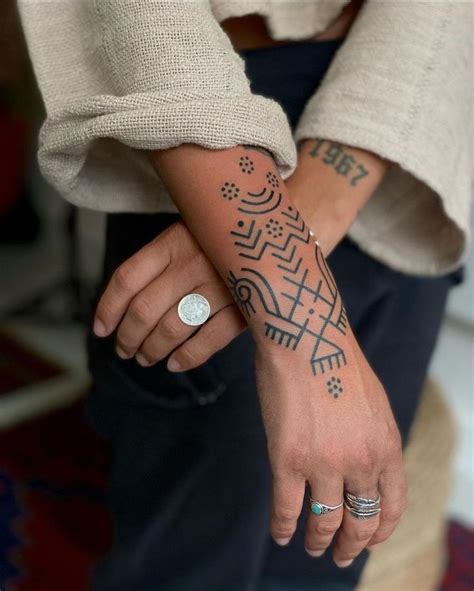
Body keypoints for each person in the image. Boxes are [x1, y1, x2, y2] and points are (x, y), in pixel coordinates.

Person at [18, 1, 471, 590]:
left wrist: (310, 207)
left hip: (410, 137)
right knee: (189, 564)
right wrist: (304, 316)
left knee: (327, 556)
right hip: (205, 120)